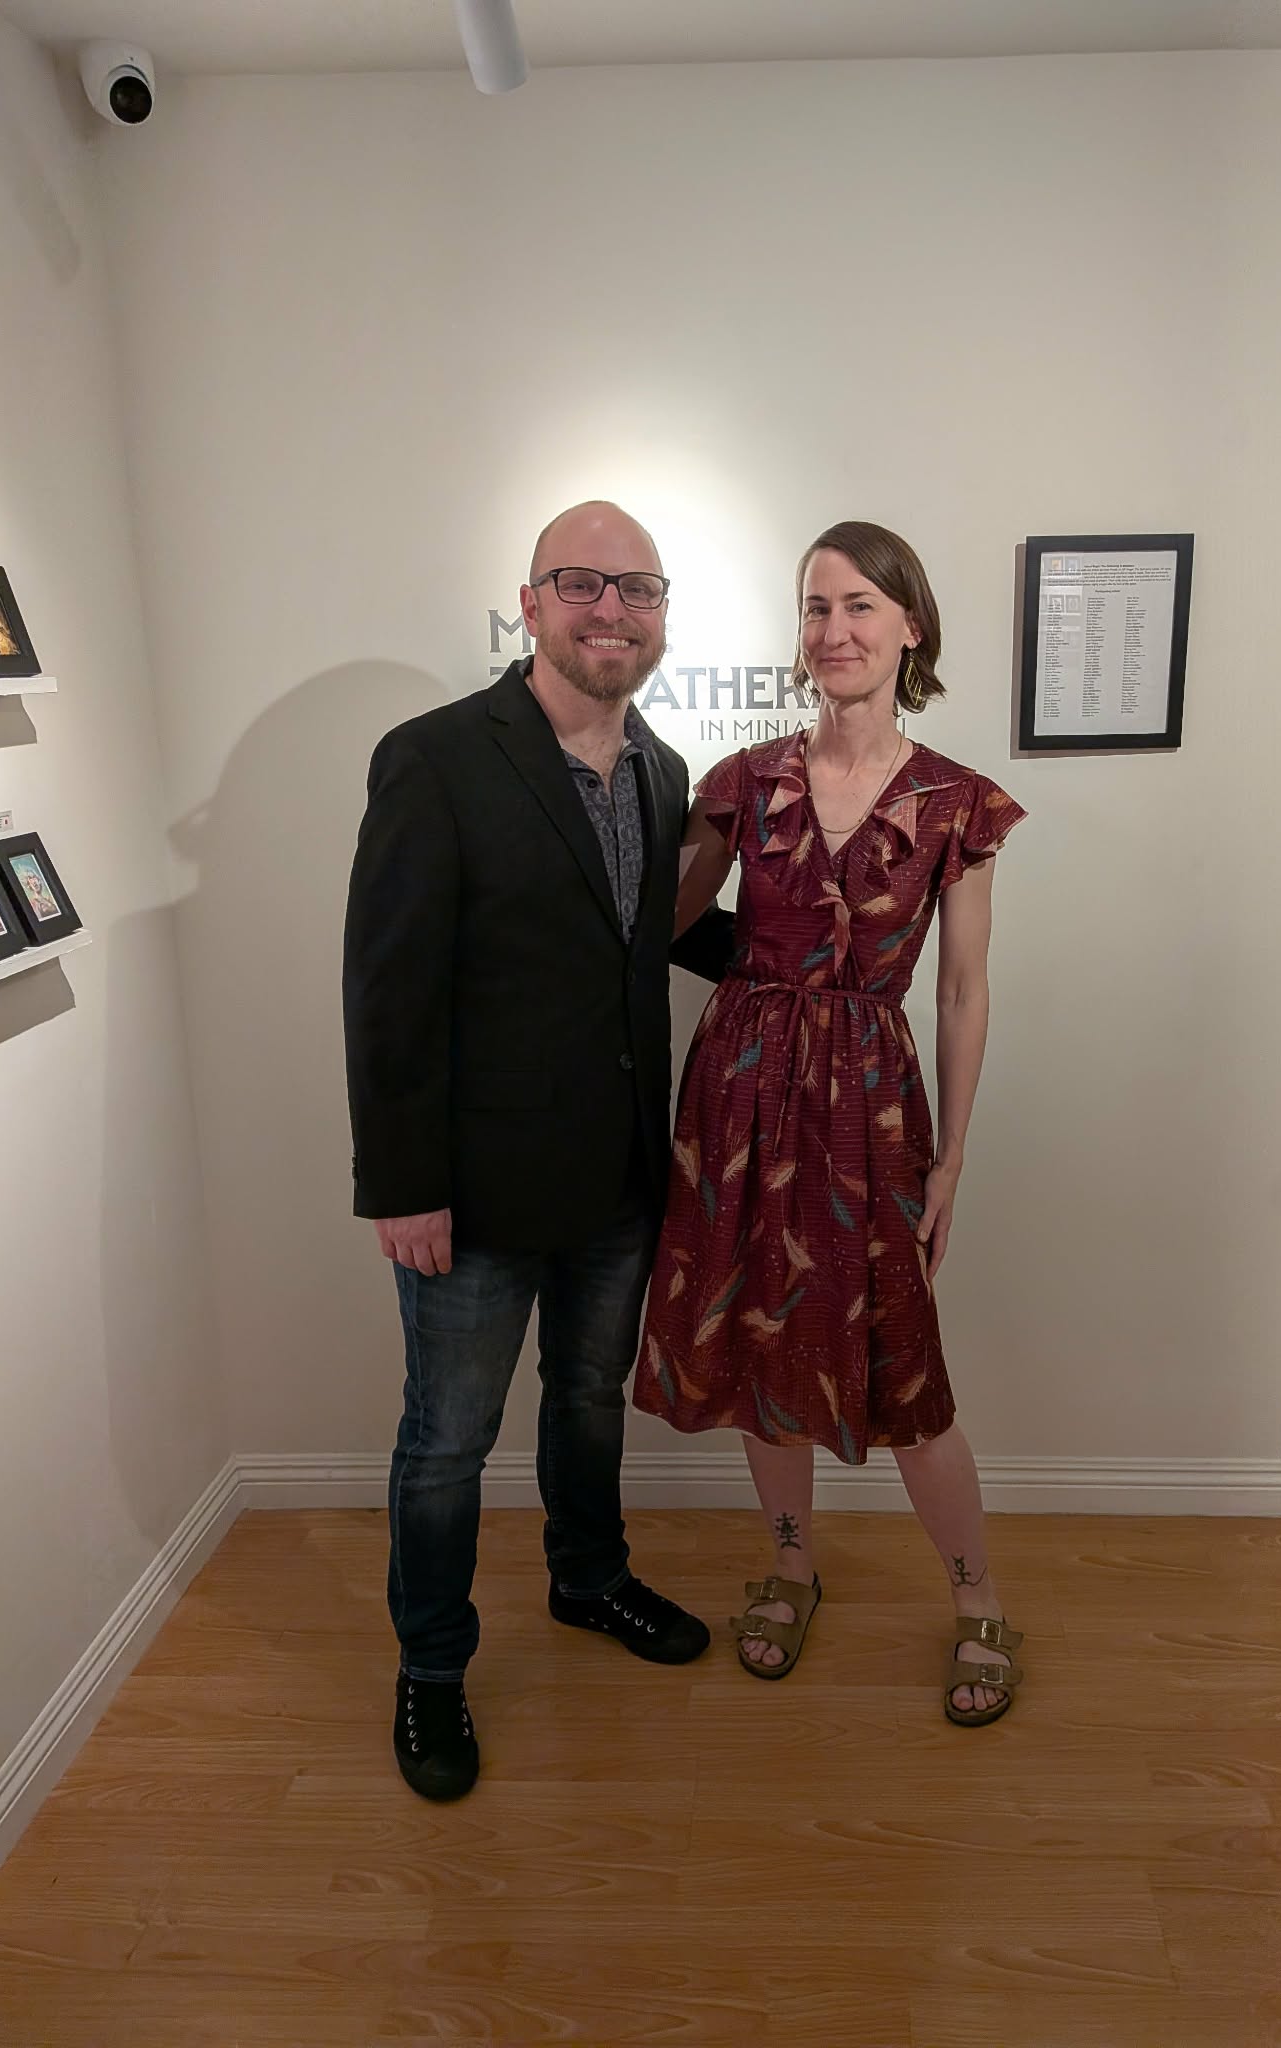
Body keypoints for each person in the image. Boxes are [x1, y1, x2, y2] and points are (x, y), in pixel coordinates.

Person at [343, 501, 734, 1801]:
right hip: (474, 1192)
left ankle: (589, 1582)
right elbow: (390, 990)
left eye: (636, 588)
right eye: (582, 583)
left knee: (583, 1402)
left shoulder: (663, 773)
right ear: (530, 602)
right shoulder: (438, 758)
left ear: (663, 612)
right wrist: (402, 1188)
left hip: (619, 1179)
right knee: (447, 1442)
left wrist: (817, 960)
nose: (609, 609)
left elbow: (642, 936)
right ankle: (433, 1674)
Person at [634, 520, 1026, 1728]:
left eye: (860, 605)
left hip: (871, 1095)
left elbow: (961, 989)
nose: (834, 631)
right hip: (741, 1082)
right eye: (815, 608)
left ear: (911, 626)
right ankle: (792, 1565)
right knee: (760, 1337)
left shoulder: (959, 802)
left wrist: (953, 1155)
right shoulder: (743, 779)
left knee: (906, 1365)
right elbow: (655, 918)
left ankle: (978, 1601)